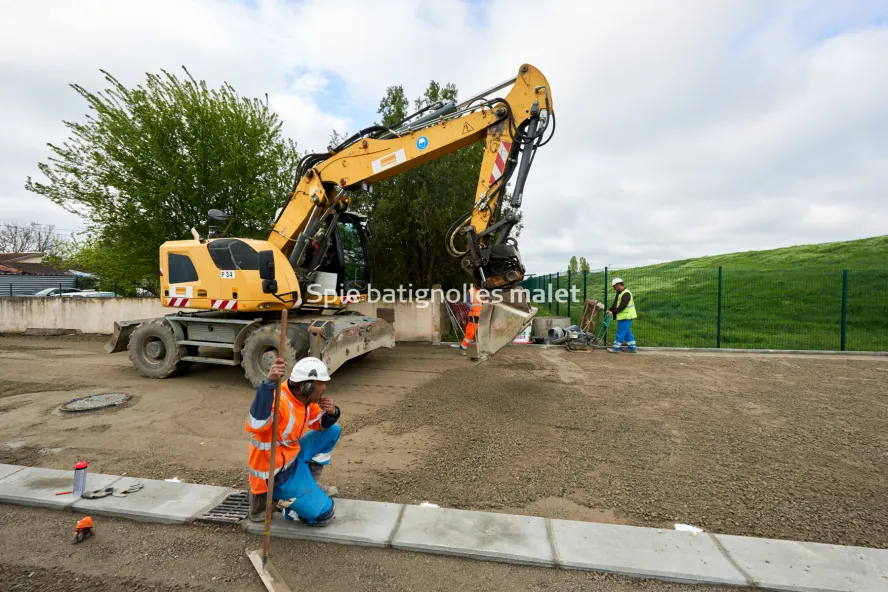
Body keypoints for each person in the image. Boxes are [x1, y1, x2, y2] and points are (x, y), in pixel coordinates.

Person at [246, 356, 341, 526]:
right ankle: (287, 505)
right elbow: (256, 424)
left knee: (332, 430)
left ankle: (309, 484)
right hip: (277, 475)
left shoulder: (303, 399)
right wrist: (268, 384)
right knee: (324, 514)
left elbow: (318, 423)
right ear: (307, 386)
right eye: (322, 383)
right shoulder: (279, 401)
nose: (325, 388)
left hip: (292, 458)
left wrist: (332, 413)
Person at [605, 278, 637, 353]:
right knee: (627, 332)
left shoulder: (626, 294)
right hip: (623, 316)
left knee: (621, 332)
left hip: (626, 316)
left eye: (615, 287)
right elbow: (615, 304)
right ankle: (632, 348)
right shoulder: (619, 293)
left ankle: (615, 348)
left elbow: (622, 306)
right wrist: (610, 309)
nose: (615, 288)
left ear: (619, 285)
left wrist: (613, 312)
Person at [460, 284, 483, 356]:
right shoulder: (471, 291)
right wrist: (469, 306)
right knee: (470, 333)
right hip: (474, 315)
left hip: (483, 315)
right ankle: (462, 348)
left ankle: (481, 351)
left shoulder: (485, 291)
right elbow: (466, 302)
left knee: (481, 334)